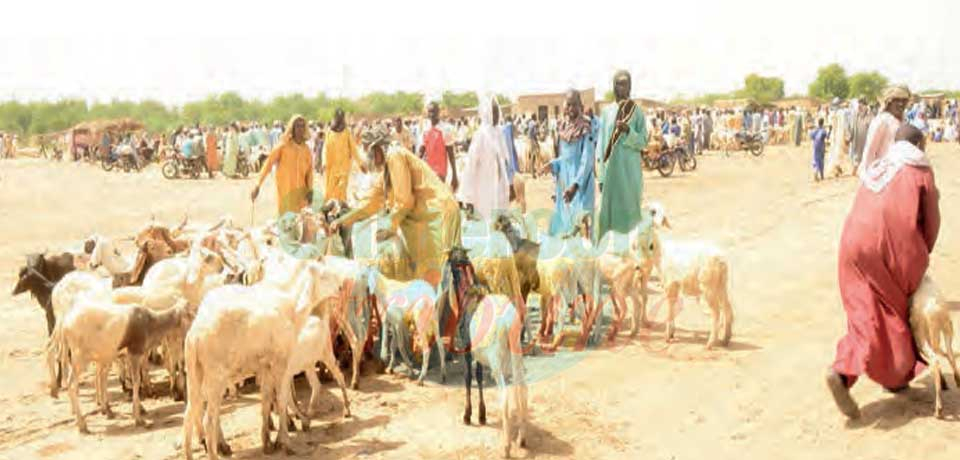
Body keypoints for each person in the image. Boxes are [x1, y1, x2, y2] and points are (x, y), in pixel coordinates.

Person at [827, 124, 940, 419]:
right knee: (896, 313)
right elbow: (931, 223)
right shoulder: (920, 169)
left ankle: (843, 374)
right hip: (890, 248)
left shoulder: (878, 165)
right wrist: (919, 255)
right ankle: (895, 374)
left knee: (864, 315)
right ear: (920, 144)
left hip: (852, 242)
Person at [331, 126, 461, 286]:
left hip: (438, 214)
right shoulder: (386, 168)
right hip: (428, 218)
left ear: (378, 148)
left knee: (439, 276)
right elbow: (370, 203)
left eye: (370, 152)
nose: (369, 158)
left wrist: (390, 226)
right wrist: (342, 221)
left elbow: (405, 200)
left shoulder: (395, 156)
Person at [595, 70, 648, 242]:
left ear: (630, 86)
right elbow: (601, 145)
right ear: (614, 86)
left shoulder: (637, 112)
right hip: (611, 174)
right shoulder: (606, 112)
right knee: (608, 216)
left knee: (630, 215)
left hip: (630, 174)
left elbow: (643, 142)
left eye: (625, 83)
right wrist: (601, 176)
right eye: (618, 83)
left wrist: (629, 131)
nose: (621, 87)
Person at [539, 89, 596, 236]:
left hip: (580, 189)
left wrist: (575, 187)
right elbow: (564, 160)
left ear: (580, 106)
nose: (571, 109)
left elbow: (586, 161)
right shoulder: (563, 128)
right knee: (563, 230)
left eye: (574, 105)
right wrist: (552, 165)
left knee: (580, 231)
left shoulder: (586, 129)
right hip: (565, 187)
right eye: (568, 105)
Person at [460, 94, 512, 221]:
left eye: (497, 111)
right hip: (484, 188)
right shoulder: (480, 135)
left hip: (499, 188)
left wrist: (510, 183)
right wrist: (467, 198)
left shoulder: (499, 133)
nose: (496, 115)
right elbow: (470, 167)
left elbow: (505, 162)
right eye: (493, 111)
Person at [251, 115, 314, 216]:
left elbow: (309, 172)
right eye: (297, 126)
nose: (300, 129)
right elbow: (268, 163)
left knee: (301, 225)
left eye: (302, 126)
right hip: (286, 195)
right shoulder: (283, 146)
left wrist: (310, 190)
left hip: (301, 197)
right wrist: (258, 185)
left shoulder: (306, 150)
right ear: (292, 128)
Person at [858, 86, 911, 178]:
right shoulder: (881, 120)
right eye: (897, 100)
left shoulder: (902, 121)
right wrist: (866, 177)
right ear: (889, 102)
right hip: (883, 176)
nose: (901, 104)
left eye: (904, 101)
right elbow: (870, 150)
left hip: (900, 175)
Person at [321, 108, 363, 202]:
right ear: (335, 118)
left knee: (341, 190)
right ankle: (331, 212)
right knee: (330, 192)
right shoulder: (329, 132)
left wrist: (360, 163)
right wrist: (324, 162)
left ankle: (341, 211)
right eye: (338, 117)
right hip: (331, 168)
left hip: (344, 168)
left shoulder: (346, 132)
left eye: (341, 117)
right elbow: (325, 148)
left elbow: (353, 149)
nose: (340, 119)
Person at [419, 102, 459, 191]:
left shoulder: (445, 129)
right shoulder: (426, 129)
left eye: (434, 112)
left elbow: (451, 154)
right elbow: (421, 151)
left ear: (438, 112)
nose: (431, 114)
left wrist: (454, 175)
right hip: (428, 170)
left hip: (441, 172)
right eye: (430, 112)